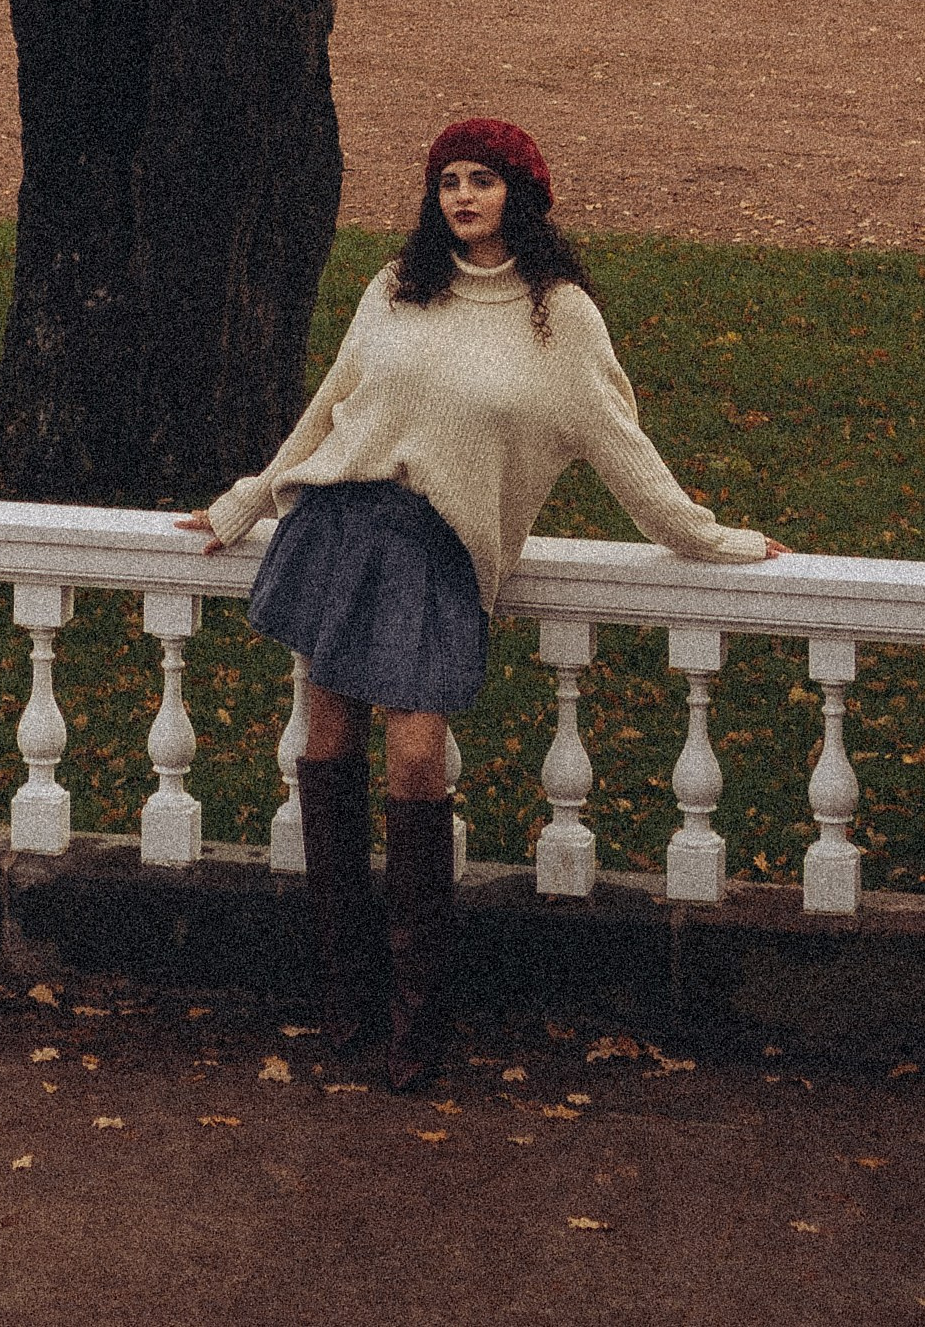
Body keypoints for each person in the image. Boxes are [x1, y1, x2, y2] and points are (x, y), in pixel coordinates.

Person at [179, 117, 782, 1090]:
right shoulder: (395, 287)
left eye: (483, 180)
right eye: (449, 179)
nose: (462, 196)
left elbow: (627, 451)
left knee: (417, 757)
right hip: (341, 522)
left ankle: (421, 1012)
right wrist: (248, 497)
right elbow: (332, 404)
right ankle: (347, 991)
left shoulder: (563, 318)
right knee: (324, 743)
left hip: (440, 550)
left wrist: (715, 538)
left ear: (522, 193)